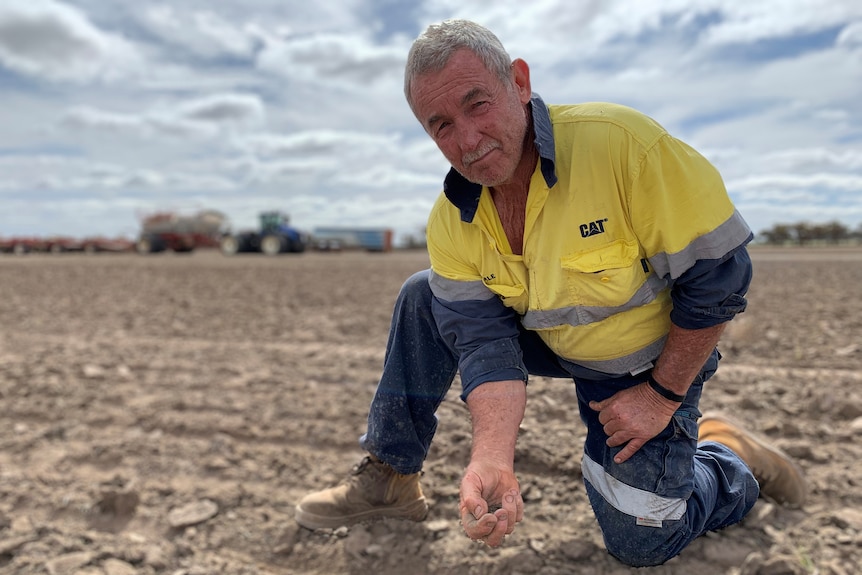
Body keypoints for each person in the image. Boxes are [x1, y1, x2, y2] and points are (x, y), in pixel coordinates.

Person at [294, 19, 806, 567]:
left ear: (518, 82)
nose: (467, 140)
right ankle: (390, 478)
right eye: (441, 124)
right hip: (550, 340)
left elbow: (719, 277)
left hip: (642, 365)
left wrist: (661, 396)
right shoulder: (451, 222)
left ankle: (729, 456)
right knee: (426, 296)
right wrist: (492, 457)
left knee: (643, 539)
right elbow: (485, 346)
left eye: (477, 104)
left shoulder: (623, 148)